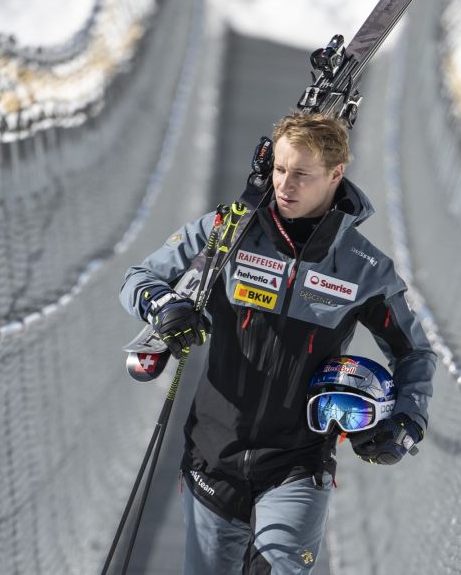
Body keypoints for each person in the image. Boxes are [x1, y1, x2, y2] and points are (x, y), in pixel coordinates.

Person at [119, 112, 434, 574]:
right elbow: (138, 279)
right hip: (212, 453)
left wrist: (407, 418)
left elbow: (413, 352)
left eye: (302, 174)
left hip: (298, 462)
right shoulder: (228, 230)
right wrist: (165, 306)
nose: (285, 185)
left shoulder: (364, 268)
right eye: (280, 169)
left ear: (335, 174)